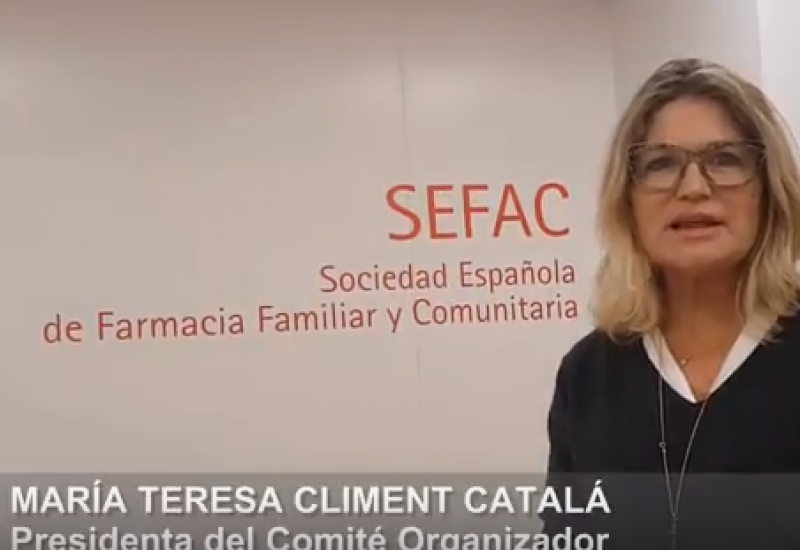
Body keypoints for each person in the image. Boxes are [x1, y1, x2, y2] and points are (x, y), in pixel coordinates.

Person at [541, 58, 800, 549]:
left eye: (725, 160)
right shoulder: (588, 375)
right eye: (661, 164)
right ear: (628, 200)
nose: (694, 187)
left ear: (768, 190)